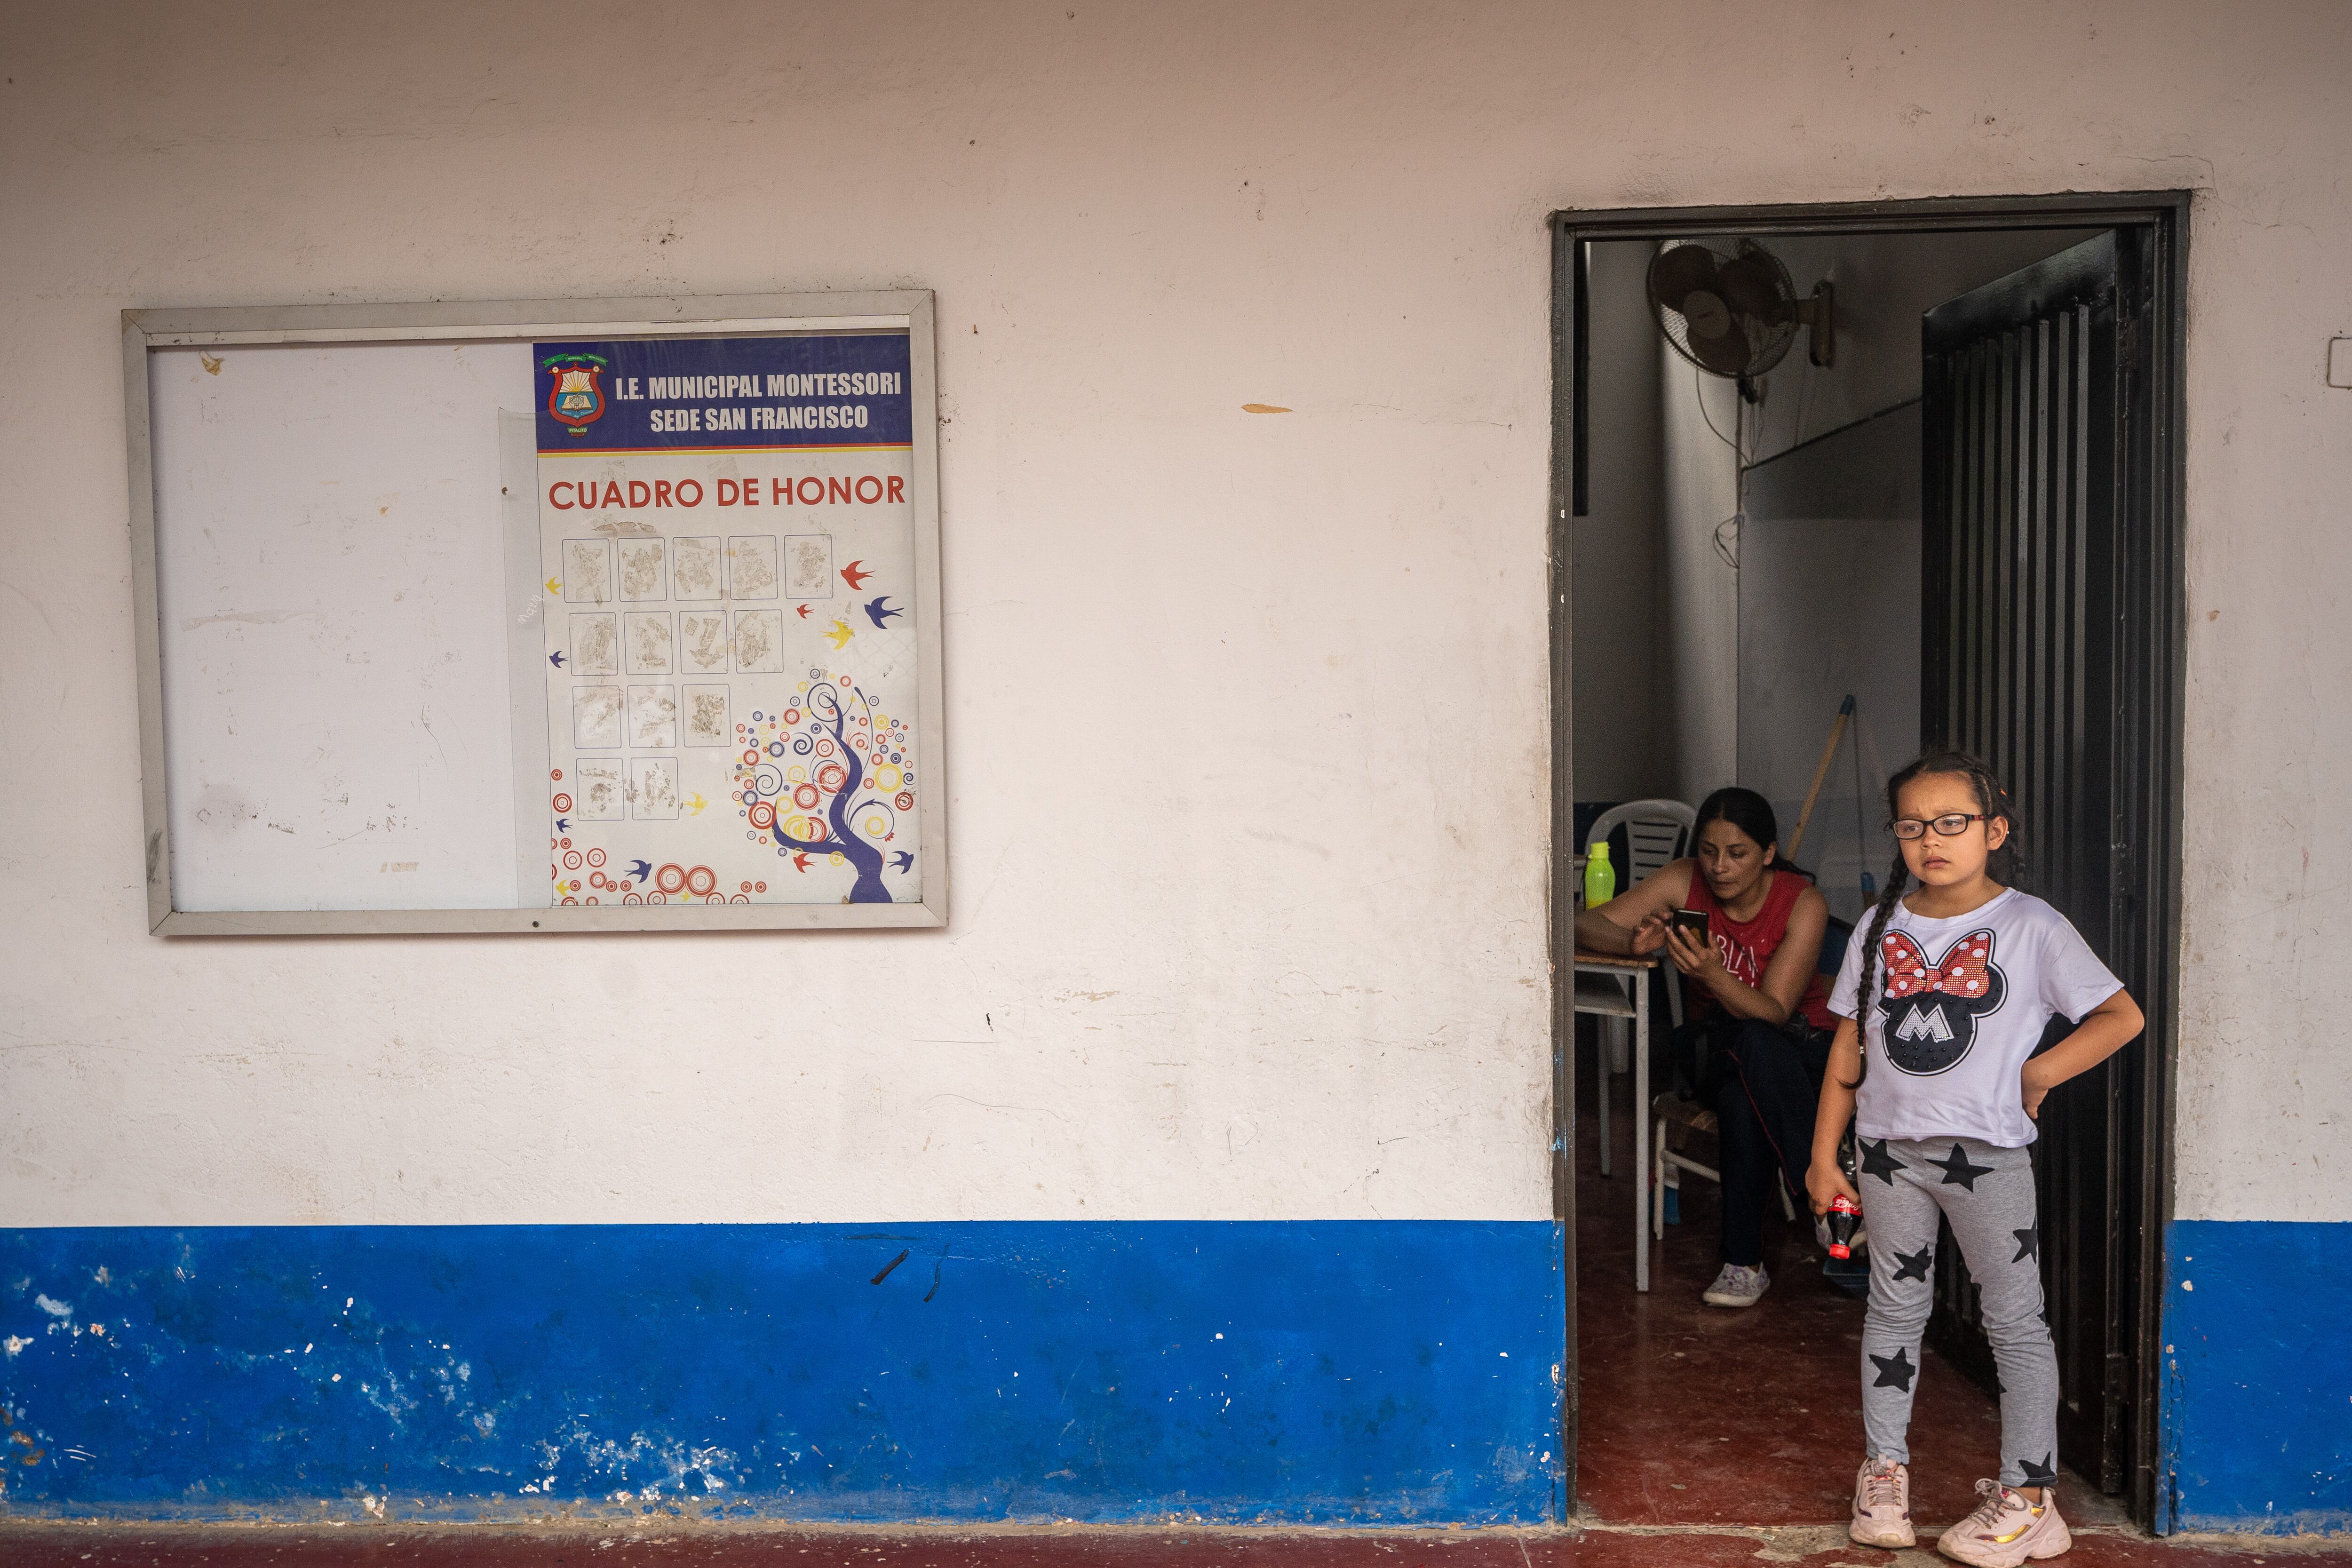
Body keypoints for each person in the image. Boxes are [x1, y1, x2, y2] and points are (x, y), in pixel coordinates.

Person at [1806, 752, 2142, 1566]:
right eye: (1913, 825)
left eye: (1952, 821)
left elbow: (2120, 1014)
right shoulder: (1883, 927)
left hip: (1987, 1156)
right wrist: (1825, 1156)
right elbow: (1849, 1045)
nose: (1932, 839)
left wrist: (2040, 1071)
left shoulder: (2033, 925)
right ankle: (1885, 1473)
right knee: (1894, 1310)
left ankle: (2030, 1497)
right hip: (1888, 1154)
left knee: (2013, 1319)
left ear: (1994, 830)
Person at [1574, 787, 1834, 1309]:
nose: (1718, 867)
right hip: (1715, 1048)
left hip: (1802, 1050)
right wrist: (1632, 943)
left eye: (1736, 853)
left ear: (1766, 852)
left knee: (1748, 1084)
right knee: (1742, 1065)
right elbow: (1582, 921)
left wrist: (1711, 974)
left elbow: (1774, 1012)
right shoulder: (1682, 879)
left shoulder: (1801, 902)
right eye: (1709, 851)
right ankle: (1825, 1203)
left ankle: (1743, 1264)